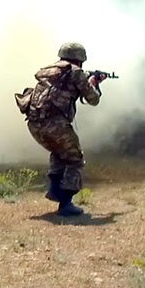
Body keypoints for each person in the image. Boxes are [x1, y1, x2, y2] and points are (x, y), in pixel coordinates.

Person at [18, 42, 105, 217]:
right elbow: (93, 99)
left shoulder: (51, 71)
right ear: (79, 59)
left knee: (58, 153)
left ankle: (54, 190)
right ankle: (65, 204)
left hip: (35, 123)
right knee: (75, 160)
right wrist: (93, 83)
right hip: (55, 125)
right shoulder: (76, 73)